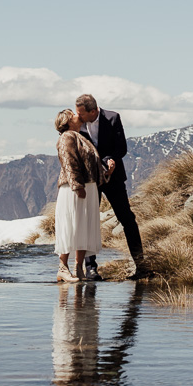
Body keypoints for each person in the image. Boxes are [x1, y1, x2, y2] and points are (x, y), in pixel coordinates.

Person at [73, 94, 146, 280]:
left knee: (127, 218)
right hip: (90, 180)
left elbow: (121, 147)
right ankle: (91, 269)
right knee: (89, 221)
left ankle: (141, 266)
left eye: (81, 113)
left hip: (113, 178)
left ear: (93, 111)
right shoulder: (77, 124)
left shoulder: (113, 118)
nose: (78, 116)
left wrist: (110, 160)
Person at [52, 108, 103, 282]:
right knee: (71, 225)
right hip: (75, 188)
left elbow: (89, 164)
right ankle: (63, 268)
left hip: (87, 186)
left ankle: (78, 268)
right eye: (73, 114)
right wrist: (77, 186)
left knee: (83, 226)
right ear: (67, 120)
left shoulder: (80, 137)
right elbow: (69, 162)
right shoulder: (67, 137)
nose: (77, 115)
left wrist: (106, 173)